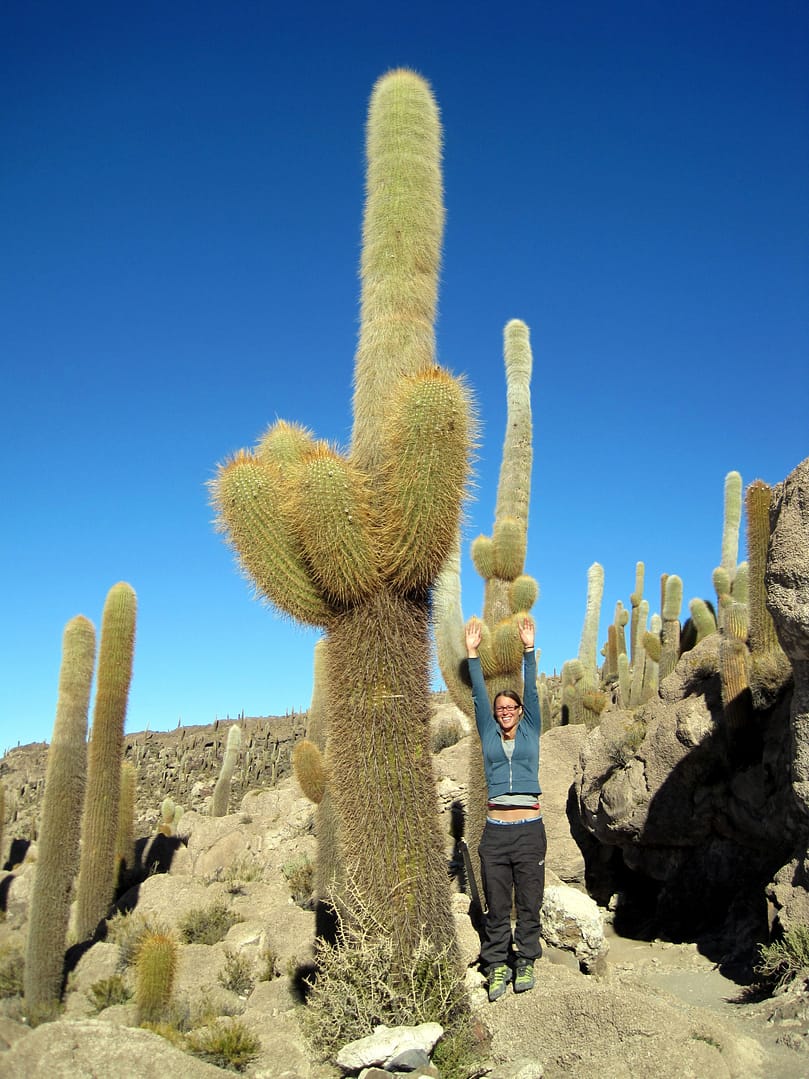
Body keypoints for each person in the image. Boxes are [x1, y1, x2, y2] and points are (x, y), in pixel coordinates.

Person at [465, 614, 546, 1002]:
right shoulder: (487, 733)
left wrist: (529, 650)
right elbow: (479, 695)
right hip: (496, 832)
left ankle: (526, 958)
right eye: (501, 709)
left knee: (529, 901)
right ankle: (497, 964)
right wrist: (472, 655)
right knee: (498, 906)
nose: (505, 711)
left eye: (510, 706)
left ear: (519, 710)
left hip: (530, 829)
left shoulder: (531, 728)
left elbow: (531, 690)